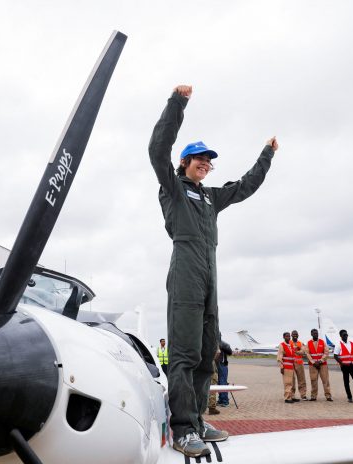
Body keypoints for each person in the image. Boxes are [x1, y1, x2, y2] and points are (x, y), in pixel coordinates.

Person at [149, 84, 276, 457]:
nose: (205, 163)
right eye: (198, 158)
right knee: (185, 354)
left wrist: (266, 154)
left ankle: (199, 419)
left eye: (209, 160)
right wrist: (177, 103)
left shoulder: (210, 197)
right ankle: (183, 428)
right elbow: (158, 149)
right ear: (185, 163)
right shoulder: (173, 188)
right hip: (186, 270)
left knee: (208, 355)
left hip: (210, 277)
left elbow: (246, 186)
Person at [306, 328, 332, 401]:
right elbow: (307, 354)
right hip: (313, 365)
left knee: (325, 380)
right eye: (314, 333)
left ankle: (328, 396)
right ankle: (313, 396)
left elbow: (326, 352)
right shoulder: (308, 343)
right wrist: (313, 362)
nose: (316, 334)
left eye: (316, 333)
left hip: (323, 364)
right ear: (311, 334)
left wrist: (320, 361)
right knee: (313, 380)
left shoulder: (323, 342)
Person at [277, 332, 298, 404]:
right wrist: (281, 367)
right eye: (287, 336)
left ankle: (292, 396)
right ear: (284, 337)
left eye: (289, 336)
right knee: (287, 383)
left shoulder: (291, 345)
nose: (288, 337)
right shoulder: (282, 345)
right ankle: (287, 398)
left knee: (292, 383)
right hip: (286, 367)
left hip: (291, 367)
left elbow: (292, 357)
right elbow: (280, 357)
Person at [290, 330, 308, 401]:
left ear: (298, 335)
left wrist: (296, 351)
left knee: (302, 380)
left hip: (299, 363)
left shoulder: (301, 343)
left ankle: (303, 395)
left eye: (296, 334)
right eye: (294, 334)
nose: (295, 335)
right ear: (291, 335)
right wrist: (297, 350)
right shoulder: (289, 342)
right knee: (292, 380)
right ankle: (292, 395)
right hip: (291, 363)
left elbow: (303, 351)